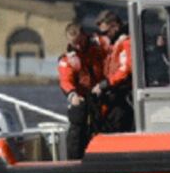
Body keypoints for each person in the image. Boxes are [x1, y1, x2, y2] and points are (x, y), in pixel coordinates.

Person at [56, 22, 106, 159]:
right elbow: (65, 80)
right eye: (74, 43)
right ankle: (75, 160)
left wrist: (104, 85)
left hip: (102, 92)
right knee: (77, 123)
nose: (77, 46)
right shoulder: (68, 59)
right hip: (81, 96)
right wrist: (72, 95)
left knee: (106, 123)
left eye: (79, 42)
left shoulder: (99, 46)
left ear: (85, 36)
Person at [95, 10, 134, 132]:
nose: (105, 36)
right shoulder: (114, 43)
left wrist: (106, 83)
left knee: (117, 125)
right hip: (113, 92)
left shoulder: (126, 42)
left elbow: (125, 68)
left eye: (106, 32)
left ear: (115, 26)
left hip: (123, 94)